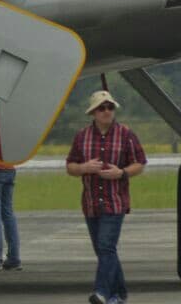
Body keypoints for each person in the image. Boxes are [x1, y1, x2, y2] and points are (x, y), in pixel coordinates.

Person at [66, 90, 147, 304]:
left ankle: (101, 292)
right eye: (102, 108)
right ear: (93, 112)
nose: (107, 111)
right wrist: (84, 168)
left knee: (105, 247)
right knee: (104, 250)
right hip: (91, 202)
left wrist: (122, 173)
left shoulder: (126, 135)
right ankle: (119, 294)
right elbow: (70, 167)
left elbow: (140, 163)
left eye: (110, 107)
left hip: (115, 201)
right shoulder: (82, 136)